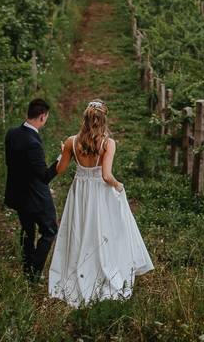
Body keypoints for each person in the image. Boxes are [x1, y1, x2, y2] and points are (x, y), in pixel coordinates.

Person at [48, 99, 153, 306]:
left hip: (80, 191)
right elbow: (106, 176)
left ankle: (78, 267)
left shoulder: (71, 142)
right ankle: (100, 267)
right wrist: (118, 184)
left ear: (84, 119)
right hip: (99, 192)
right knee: (102, 230)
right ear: (104, 120)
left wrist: (62, 152)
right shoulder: (107, 143)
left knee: (79, 229)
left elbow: (59, 170)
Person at [4, 98, 61, 281]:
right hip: (35, 197)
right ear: (43, 116)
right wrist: (60, 160)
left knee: (28, 231)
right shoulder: (33, 143)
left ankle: (27, 268)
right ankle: (33, 273)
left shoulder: (12, 134)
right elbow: (44, 176)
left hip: (18, 194)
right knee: (50, 230)